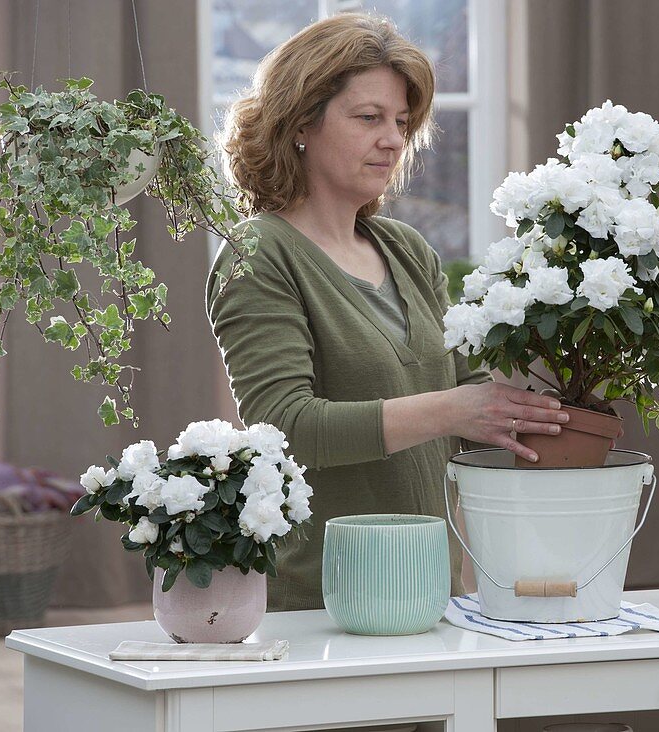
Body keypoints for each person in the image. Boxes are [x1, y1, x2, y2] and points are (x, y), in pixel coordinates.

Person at [207, 13, 568, 611]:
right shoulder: (259, 255)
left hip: (429, 586)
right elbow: (285, 427)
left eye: (402, 122)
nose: (394, 139)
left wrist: (556, 409)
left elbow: (468, 395)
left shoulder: (406, 249)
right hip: (326, 597)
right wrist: (452, 410)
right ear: (301, 125)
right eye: (369, 117)